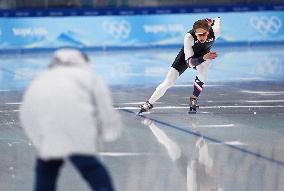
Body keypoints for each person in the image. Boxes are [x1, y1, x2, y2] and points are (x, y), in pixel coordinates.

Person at [20, 48, 122, 191]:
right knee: (89, 166)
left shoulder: (41, 78)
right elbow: (104, 106)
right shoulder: (89, 77)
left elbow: (27, 112)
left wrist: (39, 140)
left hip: (49, 127)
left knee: (47, 165)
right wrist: (109, 131)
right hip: (78, 125)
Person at [139, 17, 221, 114]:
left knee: (202, 73)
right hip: (187, 57)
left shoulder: (215, 32)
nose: (202, 37)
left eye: (204, 34)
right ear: (195, 33)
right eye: (199, 35)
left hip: (204, 56)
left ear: (208, 31)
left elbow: (218, 20)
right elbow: (190, 63)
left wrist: (214, 21)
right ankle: (149, 103)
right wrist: (204, 57)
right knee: (169, 82)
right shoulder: (189, 37)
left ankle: (193, 98)